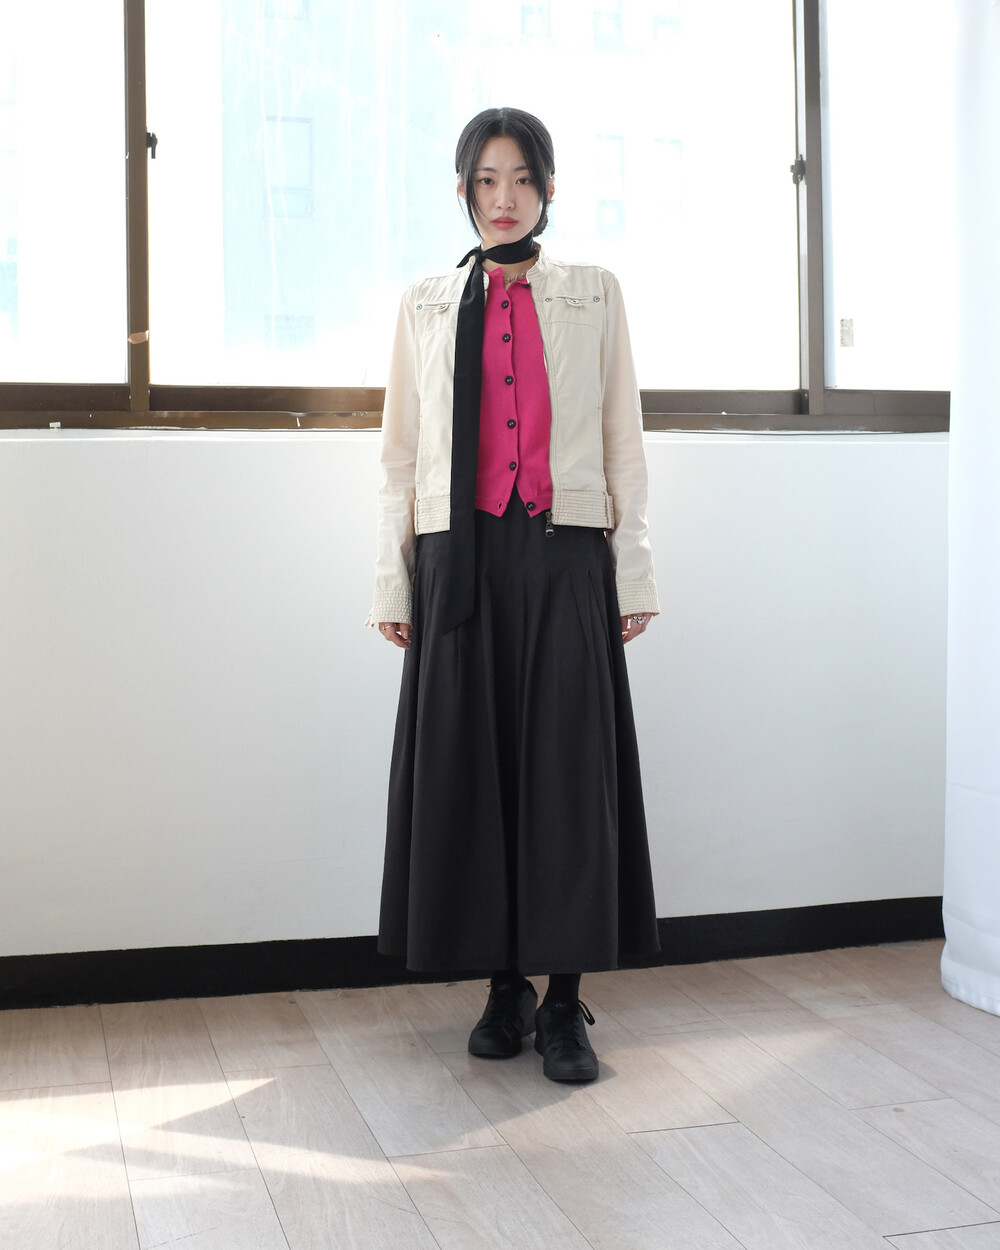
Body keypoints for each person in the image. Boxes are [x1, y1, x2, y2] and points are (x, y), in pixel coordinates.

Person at [368, 107, 660, 1082]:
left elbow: (622, 439)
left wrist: (632, 566)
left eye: (523, 179)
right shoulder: (423, 304)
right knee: (476, 767)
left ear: (548, 189)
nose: (505, 198)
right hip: (460, 552)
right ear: (463, 190)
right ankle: (506, 985)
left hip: (564, 548)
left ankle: (566, 999)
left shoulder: (592, 294)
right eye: (487, 180)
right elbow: (399, 454)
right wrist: (394, 575)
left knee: (567, 773)